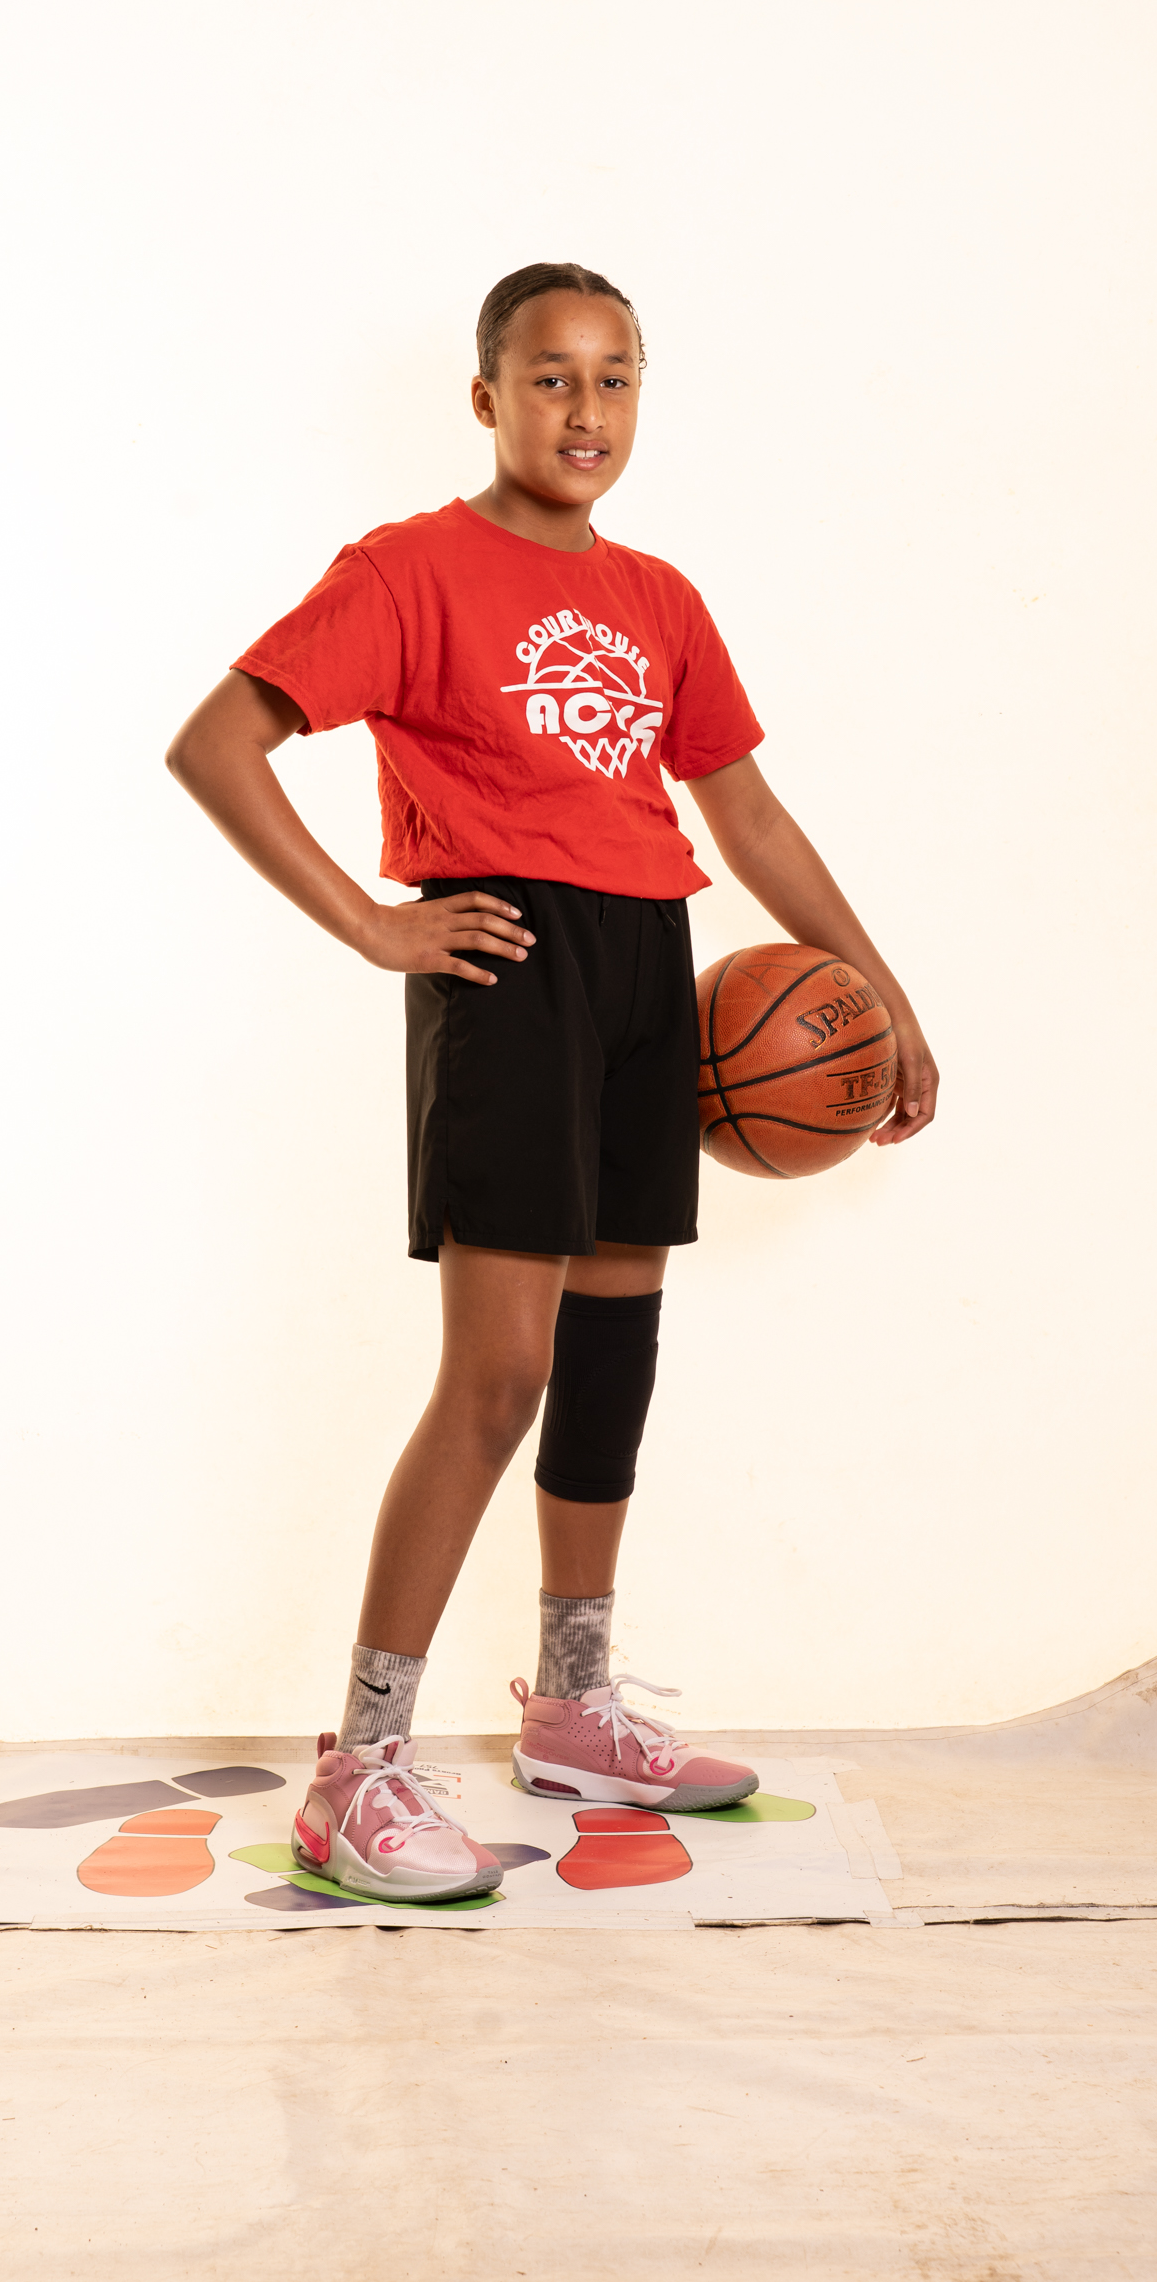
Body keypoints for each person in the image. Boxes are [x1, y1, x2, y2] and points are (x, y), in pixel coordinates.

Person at [166, 260, 939, 1903]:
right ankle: (358, 1766)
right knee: (497, 1373)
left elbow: (744, 813)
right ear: (485, 397)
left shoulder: (658, 596)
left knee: (605, 1358)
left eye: (614, 377)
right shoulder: (405, 569)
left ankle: (575, 1708)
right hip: (507, 968)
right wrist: (376, 922)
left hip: (649, 964)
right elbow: (216, 742)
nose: (584, 408)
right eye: (549, 377)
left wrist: (876, 986)